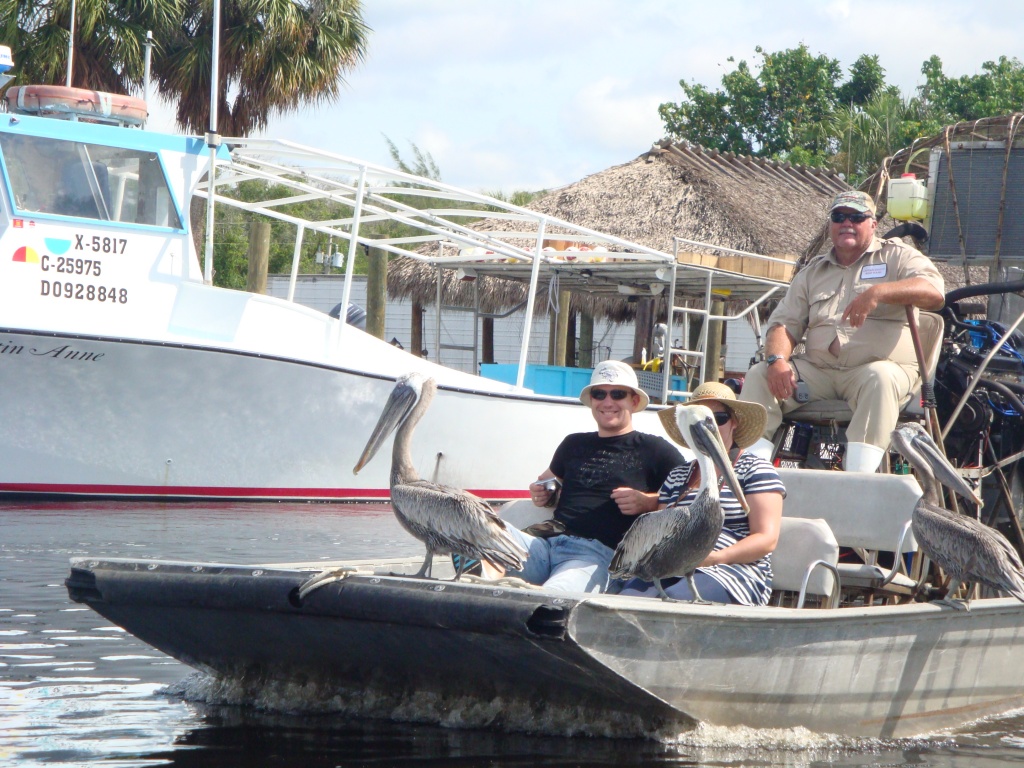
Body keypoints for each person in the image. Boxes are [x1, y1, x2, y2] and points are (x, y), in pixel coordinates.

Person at [739, 190, 945, 473]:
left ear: (873, 224)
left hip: (875, 371)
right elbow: (783, 324)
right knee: (759, 374)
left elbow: (934, 292)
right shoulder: (813, 272)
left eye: (857, 217)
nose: (846, 222)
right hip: (820, 372)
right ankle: (751, 476)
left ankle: (857, 481)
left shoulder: (897, 256)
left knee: (879, 378)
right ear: (831, 224)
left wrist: (879, 292)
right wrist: (776, 361)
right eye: (839, 217)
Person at [500, 360, 684, 593]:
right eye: (599, 394)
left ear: (634, 401)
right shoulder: (573, 443)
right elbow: (544, 480)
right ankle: (479, 585)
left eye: (617, 394)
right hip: (544, 544)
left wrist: (649, 502)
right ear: (592, 401)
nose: (608, 402)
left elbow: (689, 494)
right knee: (482, 527)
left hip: (597, 556)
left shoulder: (655, 449)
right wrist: (541, 490)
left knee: (554, 596)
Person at [617, 382, 785, 605]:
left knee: (679, 601)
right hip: (673, 566)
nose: (712, 425)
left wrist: (714, 558)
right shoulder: (678, 475)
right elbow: (661, 535)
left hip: (732, 570)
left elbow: (766, 539)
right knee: (628, 601)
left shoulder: (754, 470)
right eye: (705, 421)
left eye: (720, 418)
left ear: (734, 422)